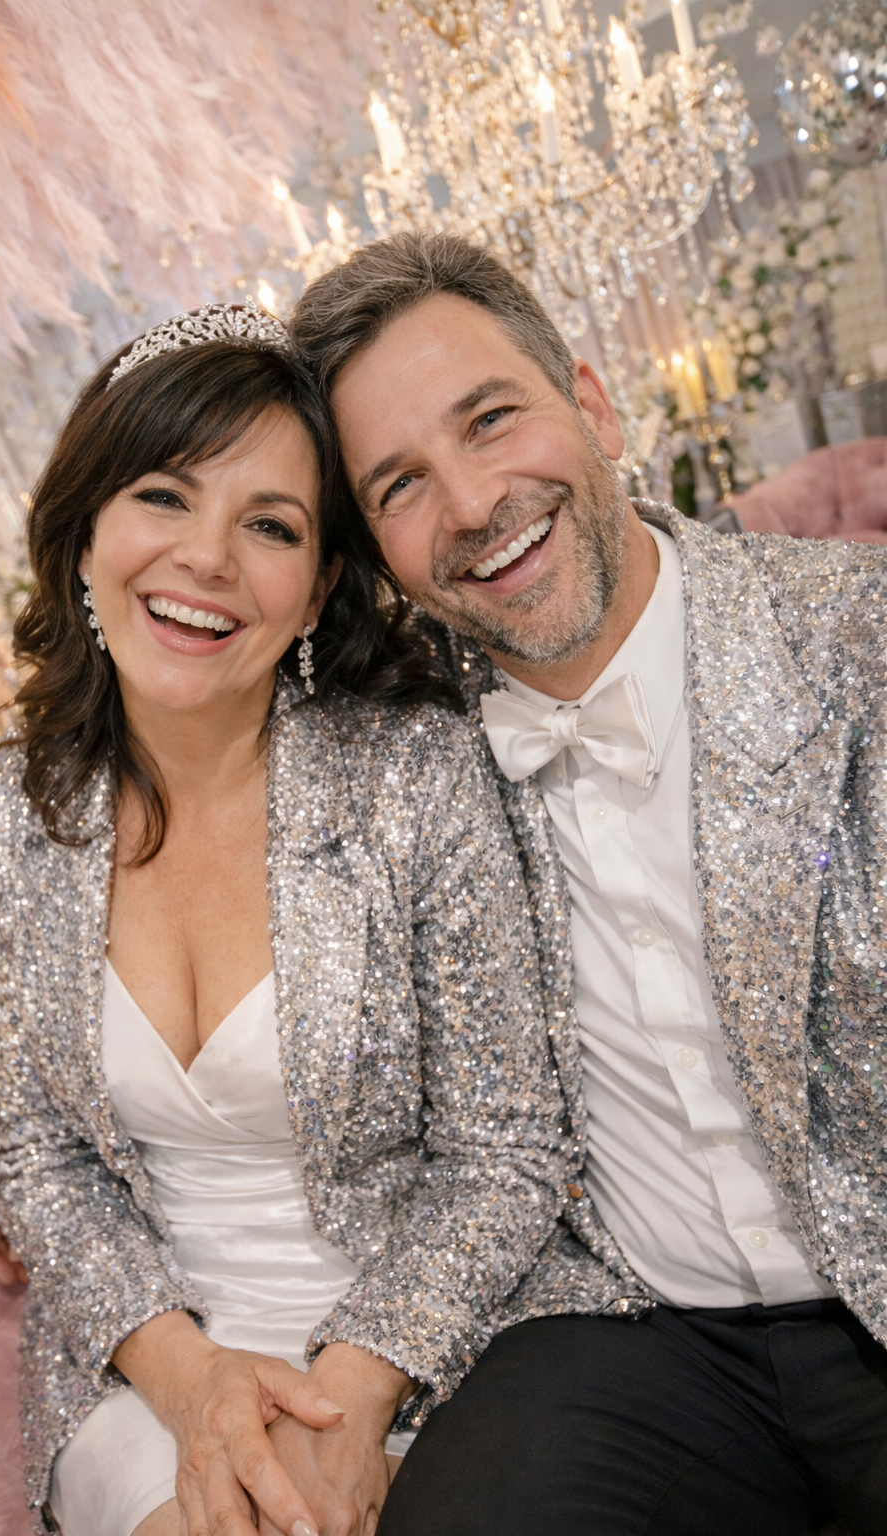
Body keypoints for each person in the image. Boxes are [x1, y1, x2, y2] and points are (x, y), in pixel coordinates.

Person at [288, 233, 887, 1536]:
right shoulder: (406, 763)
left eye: (492, 420)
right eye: (400, 484)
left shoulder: (857, 634)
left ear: (594, 403)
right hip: (633, 1322)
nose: (470, 504)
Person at [0, 301, 567, 1536]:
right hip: (147, 1358)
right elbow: (35, 1160)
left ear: (318, 583)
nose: (207, 560)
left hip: (423, 1337)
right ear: (83, 535)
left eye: (268, 525)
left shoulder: (413, 777)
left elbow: (510, 1148)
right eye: (163, 498)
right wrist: (199, 1385)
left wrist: (352, 1392)